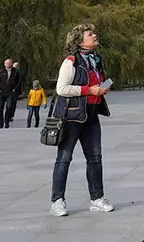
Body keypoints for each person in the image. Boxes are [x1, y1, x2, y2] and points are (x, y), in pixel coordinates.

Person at [50, 24, 113, 217]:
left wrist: (101, 89)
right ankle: (57, 201)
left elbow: (94, 82)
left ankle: (97, 198)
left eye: (94, 32)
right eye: (90, 34)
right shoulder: (71, 61)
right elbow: (62, 89)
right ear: (80, 41)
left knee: (95, 158)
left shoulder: (96, 59)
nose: (95, 35)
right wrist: (89, 90)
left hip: (92, 115)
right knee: (64, 158)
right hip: (72, 117)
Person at [0, 59, 22, 129]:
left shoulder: (16, 72)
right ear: (4, 64)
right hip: (1, 93)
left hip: (10, 93)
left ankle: (7, 122)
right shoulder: (1, 72)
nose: (8, 64)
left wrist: (14, 89)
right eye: (6, 63)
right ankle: (0, 124)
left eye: (9, 63)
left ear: (11, 63)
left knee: (9, 107)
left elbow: (19, 82)